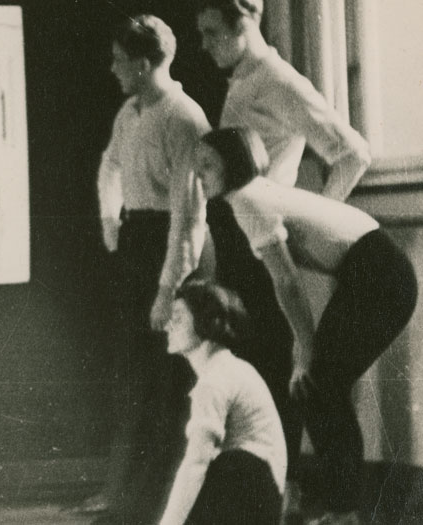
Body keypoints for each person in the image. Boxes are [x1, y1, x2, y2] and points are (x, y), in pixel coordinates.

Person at [194, 1, 372, 515]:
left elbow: (352, 152)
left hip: (262, 238)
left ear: (244, 24)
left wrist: (304, 219)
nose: (203, 46)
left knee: (278, 371)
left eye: (210, 33)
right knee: (254, 368)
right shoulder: (243, 78)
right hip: (242, 235)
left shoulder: (277, 79)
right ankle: (267, 494)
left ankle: (284, 493)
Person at [193, 127, 417, 525]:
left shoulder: (247, 200)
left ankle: (344, 511)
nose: (199, 174)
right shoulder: (254, 194)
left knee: (317, 386)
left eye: (207, 165)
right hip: (376, 269)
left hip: (380, 273)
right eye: (196, 166)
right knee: (320, 389)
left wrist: (305, 349)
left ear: (234, 164)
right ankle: (336, 506)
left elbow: (289, 286)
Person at [89, 14, 210, 522]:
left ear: (142, 64)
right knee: (137, 377)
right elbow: (109, 164)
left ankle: (164, 506)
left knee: (169, 385)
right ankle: (129, 502)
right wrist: (110, 218)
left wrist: (168, 289)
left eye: (120, 62)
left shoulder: (184, 118)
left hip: (174, 253)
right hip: (140, 240)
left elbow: (189, 217)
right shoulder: (129, 111)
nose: (113, 70)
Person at [158, 279, 287, 525]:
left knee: (201, 469)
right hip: (263, 495)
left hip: (253, 489)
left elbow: (197, 462)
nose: (167, 325)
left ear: (206, 321)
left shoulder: (215, 379)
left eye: (178, 317)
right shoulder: (229, 367)